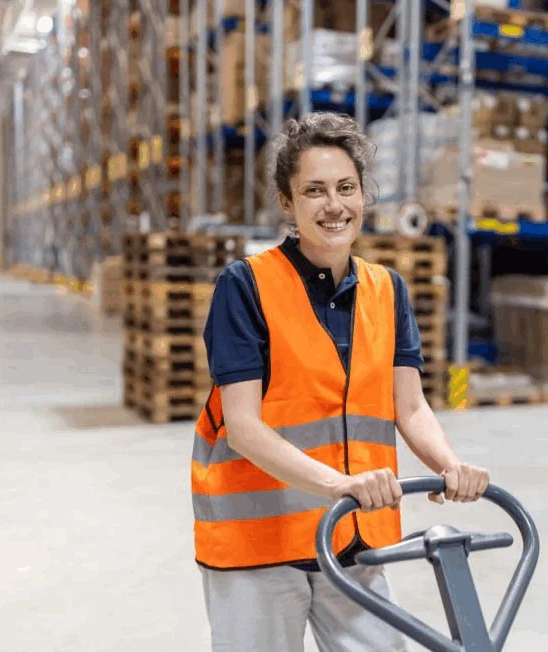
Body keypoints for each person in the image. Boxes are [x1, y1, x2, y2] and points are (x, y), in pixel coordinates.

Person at [191, 112, 489, 652]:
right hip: (260, 545)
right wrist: (339, 485)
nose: (334, 205)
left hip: (353, 537)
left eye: (346, 188)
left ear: (363, 195)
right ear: (287, 203)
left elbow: (410, 407)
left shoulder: (387, 290)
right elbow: (243, 427)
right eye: (315, 191)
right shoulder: (246, 286)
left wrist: (449, 465)